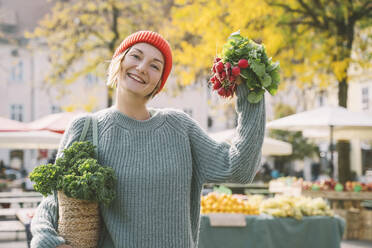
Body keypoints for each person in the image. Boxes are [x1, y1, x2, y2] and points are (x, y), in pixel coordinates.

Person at [30, 30, 266, 248]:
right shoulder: (87, 129)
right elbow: (53, 201)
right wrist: (48, 240)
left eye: (155, 66)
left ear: (159, 83)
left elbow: (240, 169)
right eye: (136, 56)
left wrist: (250, 94)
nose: (142, 68)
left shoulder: (179, 127)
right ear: (119, 61)